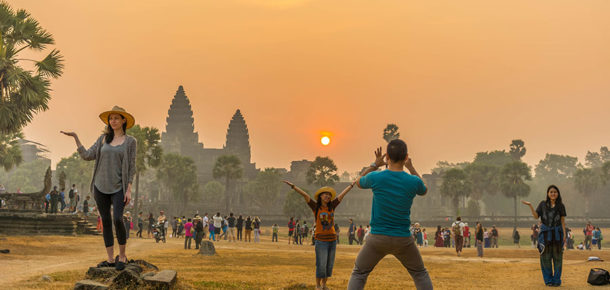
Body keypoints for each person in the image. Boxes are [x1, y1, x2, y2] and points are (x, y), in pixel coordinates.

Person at [347, 142, 433, 290]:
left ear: (387, 158)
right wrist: (411, 168)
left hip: (377, 238)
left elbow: (358, 182)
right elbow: (424, 190)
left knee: (359, 273)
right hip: (403, 239)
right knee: (419, 274)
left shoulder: (376, 177)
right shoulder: (413, 181)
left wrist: (375, 164)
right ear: (406, 157)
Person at [62, 105, 137, 270]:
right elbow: (87, 155)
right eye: (111, 118)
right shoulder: (103, 139)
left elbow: (131, 167)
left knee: (117, 219)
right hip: (100, 186)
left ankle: (122, 255)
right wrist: (76, 137)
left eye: (116, 118)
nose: (113, 121)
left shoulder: (131, 142)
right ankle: (110, 259)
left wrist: (129, 189)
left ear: (124, 120)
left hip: (119, 187)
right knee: (106, 221)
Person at [283, 175, 357, 290]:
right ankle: (317, 285)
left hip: (332, 240)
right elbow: (305, 195)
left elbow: (343, 194)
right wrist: (293, 186)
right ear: (321, 196)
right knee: (321, 264)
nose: (327, 196)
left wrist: (352, 185)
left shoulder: (332, 206)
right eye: (325, 194)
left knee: (329, 265)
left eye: (329, 194)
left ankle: (324, 285)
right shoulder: (316, 207)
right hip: (321, 241)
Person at [522, 185, 567, 287]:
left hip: (557, 235)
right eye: (551, 192)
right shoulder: (542, 204)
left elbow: (563, 221)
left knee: (558, 258)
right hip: (545, 235)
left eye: (555, 192)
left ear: (558, 194)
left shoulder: (561, 205)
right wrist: (530, 206)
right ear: (548, 193)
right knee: (545, 258)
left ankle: (556, 280)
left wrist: (564, 234)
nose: (553, 193)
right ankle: (548, 281)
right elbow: (536, 216)